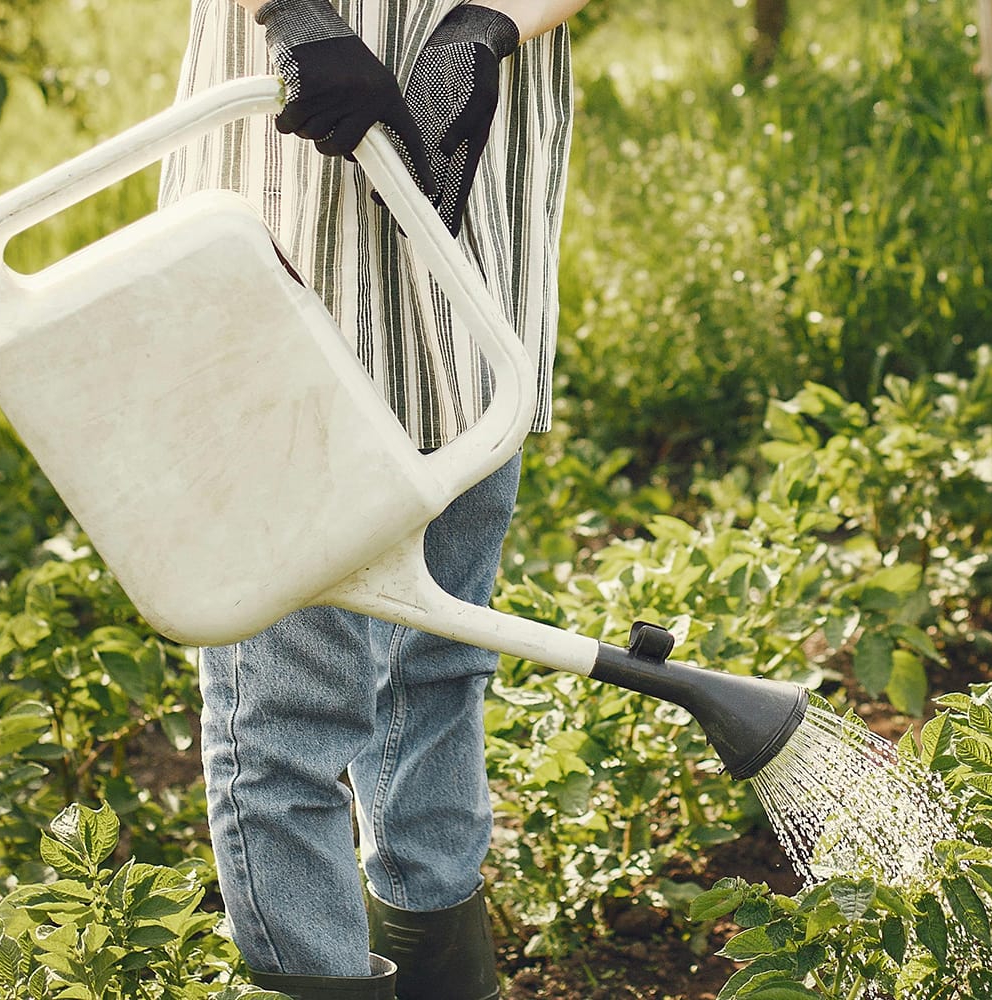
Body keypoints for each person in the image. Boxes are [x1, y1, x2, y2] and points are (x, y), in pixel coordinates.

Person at [156, 0, 589, 997]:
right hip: (278, 219)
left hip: (467, 239)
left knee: (437, 674)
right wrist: (296, 11)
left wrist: (494, 20)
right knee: (286, 722)